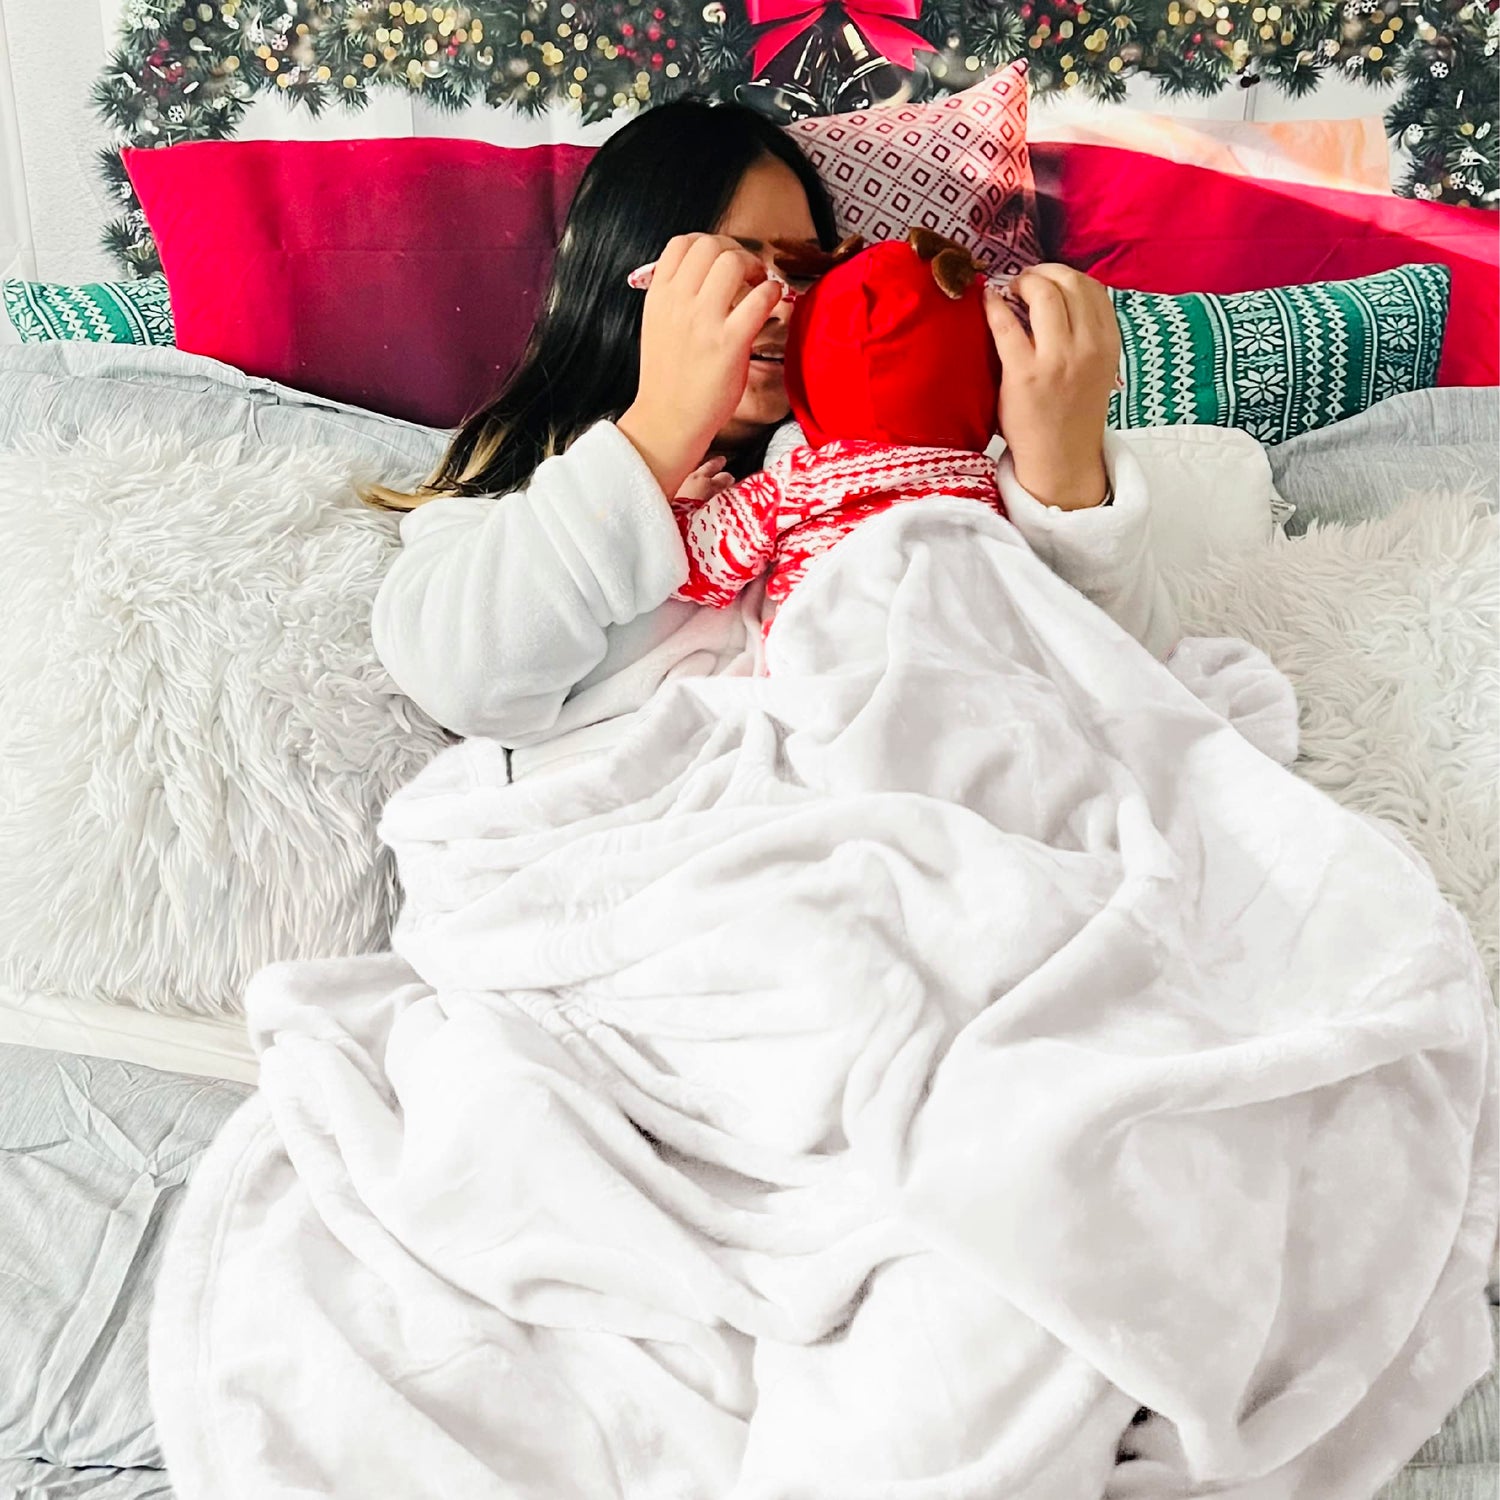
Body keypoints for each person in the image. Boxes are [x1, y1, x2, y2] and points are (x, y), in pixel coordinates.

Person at [366, 97, 1180, 782]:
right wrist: (659, 431)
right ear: (628, 284)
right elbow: (463, 678)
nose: (781, 304)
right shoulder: (523, 507)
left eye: (804, 273)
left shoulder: (916, 479)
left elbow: (1121, 690)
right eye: (732, 269)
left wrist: (1063, 474)